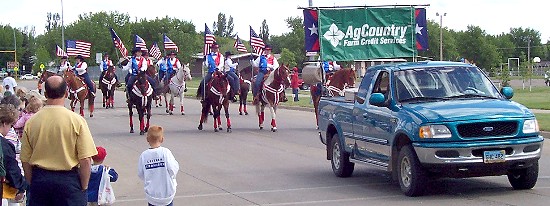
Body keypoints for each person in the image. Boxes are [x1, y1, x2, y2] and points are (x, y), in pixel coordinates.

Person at [21, 75, 97, 205]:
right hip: (69, 181)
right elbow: (85, 159)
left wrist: (32, 182)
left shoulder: (32, 122)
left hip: (41, 180)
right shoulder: (76, 121)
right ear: (66, 93)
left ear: (45, 94)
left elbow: (25, 160)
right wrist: (83, 186)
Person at [138, 125, 179, 206]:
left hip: (152, 195)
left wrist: (149, 178)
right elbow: (173, 168)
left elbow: (140, 173)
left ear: (147, 139)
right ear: (162, 139)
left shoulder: (144, 155)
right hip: (167, 194)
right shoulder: (166, 152)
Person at [1, 104, 27, 206]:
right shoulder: (5, 145)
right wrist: (21, 186)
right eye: (10, 125)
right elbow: (12, 170)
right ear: (4, 123)